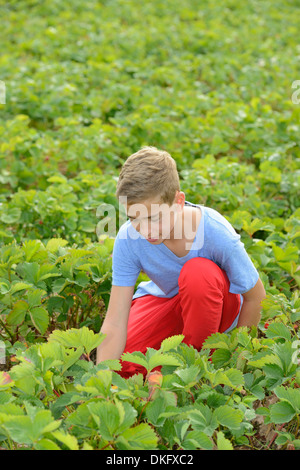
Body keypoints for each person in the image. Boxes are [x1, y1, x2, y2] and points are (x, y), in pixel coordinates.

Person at [96, 146, 266, 378]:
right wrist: (101, 380)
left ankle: (192, 369)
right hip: (167, 302)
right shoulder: (129, 237)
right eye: (133, 218)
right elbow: (115, 321)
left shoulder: (214, 231)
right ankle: (162, 375)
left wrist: (238, 357)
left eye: (154, 218)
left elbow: (256, 297)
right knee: (125, 363)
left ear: (178, 201)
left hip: (215, 308)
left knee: (198, 273)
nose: (145, 230)